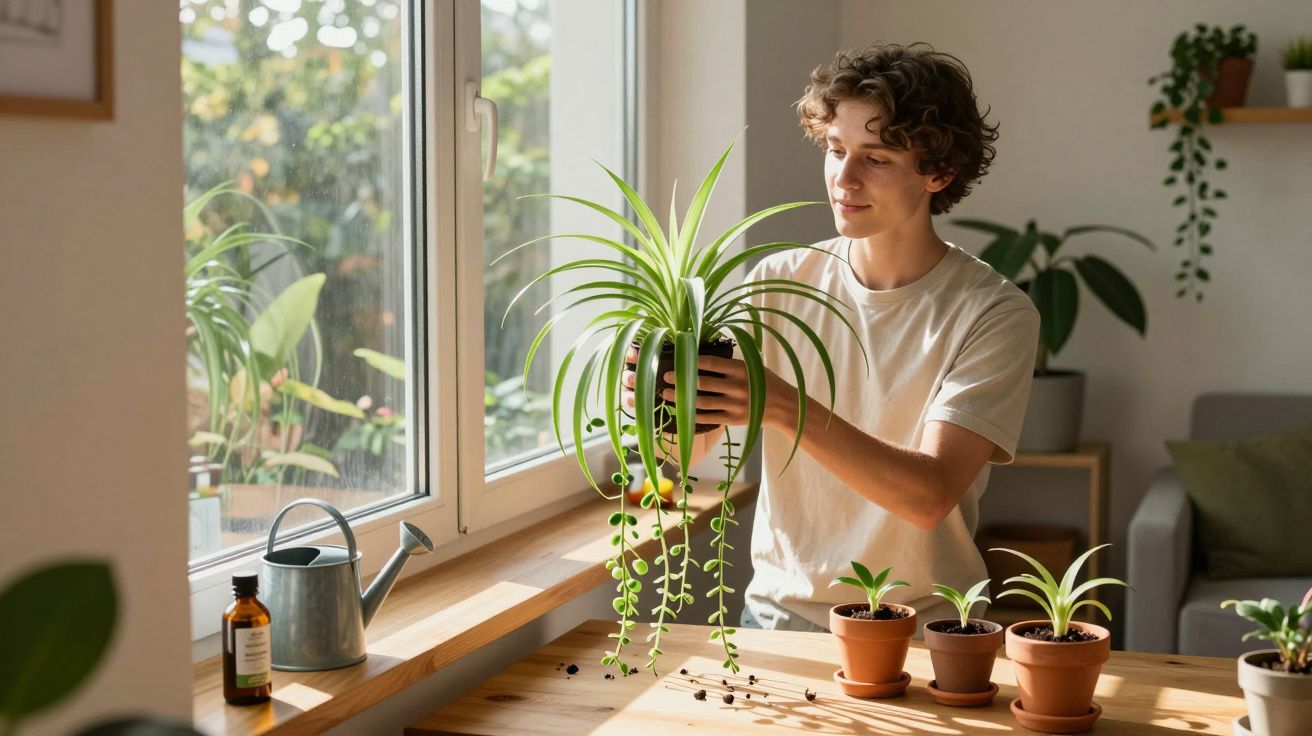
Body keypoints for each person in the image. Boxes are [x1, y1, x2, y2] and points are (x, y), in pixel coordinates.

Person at [627, 42, 1039, 632]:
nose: (843, 178)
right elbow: (681, 458)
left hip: (927, 631)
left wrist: (782, 406)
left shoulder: (993, 312)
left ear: (939, 172)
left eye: (876, 158)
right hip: (777, 619)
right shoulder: (778, 280)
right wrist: (658, 401)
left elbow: (927, 498)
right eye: (835, 149)